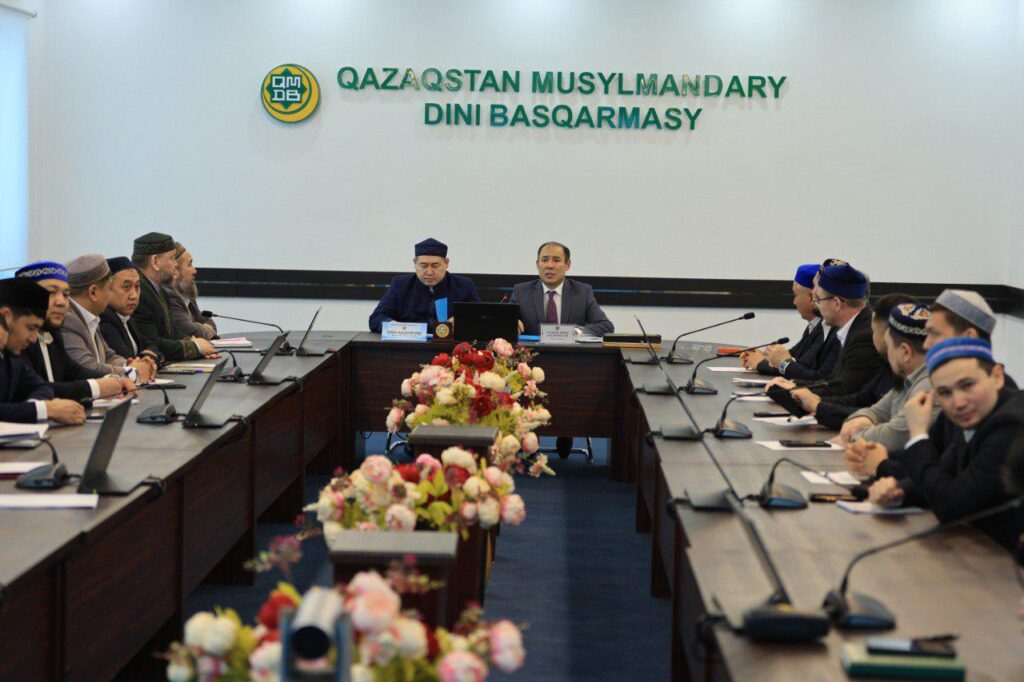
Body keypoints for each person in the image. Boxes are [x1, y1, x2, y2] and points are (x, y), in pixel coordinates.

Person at [868, 337, 1023, 551]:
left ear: (997, 377)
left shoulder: (1012, 424)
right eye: (945, 393)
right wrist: (899, 492)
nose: (958, 402)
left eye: (967, 385)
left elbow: (951, 506)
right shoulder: (973, 413)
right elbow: (946, 476)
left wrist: (918, 434)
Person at [790, 293, 914, 429]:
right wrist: (816, 403)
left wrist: (817, 406)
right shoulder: (889, 367)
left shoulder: (917, 382)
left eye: (873, 331)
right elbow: (865, 401)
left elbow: (886, 424)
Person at [15, 260, 134, 401]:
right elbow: (33, 388)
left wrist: (117, 381)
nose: (61, 302)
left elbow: (77, 372)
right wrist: (97, 387)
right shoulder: (16, 341)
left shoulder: (53, 336)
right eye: (51, 292)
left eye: (66, 295)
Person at [833, 303, 939, 450]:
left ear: (905, 352)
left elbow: (894, 437)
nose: (887, 355)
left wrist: (855, 435)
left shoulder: (929, 384)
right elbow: (875, 411)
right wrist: (863, 418)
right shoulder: (906, 379)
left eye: (889, 347)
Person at [767, 261, 879, 398]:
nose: (816, 305)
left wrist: (797, 392)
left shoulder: (864, 335)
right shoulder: (851, 327)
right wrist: (795, 385)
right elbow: (832, 381)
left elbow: (845, 391)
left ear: (836, 303)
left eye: (818, 300)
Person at [0, 278, 85, 425]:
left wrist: (35, 408)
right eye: (30, 328)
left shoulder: (11, 356)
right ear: (6, 316)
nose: (34, 339)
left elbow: (42, 387)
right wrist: (46, 409)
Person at [62, 254, 154, 382]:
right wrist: (133, 372)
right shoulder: (68, 319)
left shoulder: (90, 317)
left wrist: (129, 364)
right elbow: (87, 367)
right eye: (107, 288)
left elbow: (109, 356)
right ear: (93, 292)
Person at [131, 232, 216, 360]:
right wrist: (195, 347)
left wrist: (198, 345)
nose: (175, 264)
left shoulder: (160, 292)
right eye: (171, 258)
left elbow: (172, 334)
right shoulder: (140, 294)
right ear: (155, 262)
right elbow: (152, 343)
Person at [369, 238, 480, 334]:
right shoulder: (400, 285)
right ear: (415, 263)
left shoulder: (464, 286)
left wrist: (462, 322)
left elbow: (479, 319)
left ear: (446, 263)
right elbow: (376, 318)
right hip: (410, 347)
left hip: (450, 348)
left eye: (435, 266)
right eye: (423, 266)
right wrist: (397, 327)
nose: (429, 272)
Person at [510, 241, 614, 336]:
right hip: (532, 350)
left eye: (556, 260)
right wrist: (511, 325)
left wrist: (576, 332)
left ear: (567, 265)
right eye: (544, 260)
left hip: (569, 350)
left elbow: (606, 326)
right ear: (537, 264)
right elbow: (505, 321)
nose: (549, 266)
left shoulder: (582, 292)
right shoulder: (521, 292)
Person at [742, 263, 825, 377]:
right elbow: (793, 357)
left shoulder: (826, 329)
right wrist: (763, 356)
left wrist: (761, 363)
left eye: (796, 295)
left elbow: (803, 369)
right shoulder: (814, 325)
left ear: (812, 297)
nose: (794, 302)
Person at [100, 257, 164, 364]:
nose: (134, 295)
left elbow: (154, 348)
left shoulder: (127, 317)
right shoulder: (104, 318)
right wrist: (148, 357)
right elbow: (128, 360)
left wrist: (148, 356)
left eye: (137, 287)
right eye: (126, 287)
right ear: (106, 289)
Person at [167, 242, 217, 340]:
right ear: (175, 271)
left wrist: (196, 326)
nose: (194, 270)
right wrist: (198, 326)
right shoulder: (169, 298)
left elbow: (210, 323)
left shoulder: (187, 296)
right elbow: (189, 332)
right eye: (189, 264)